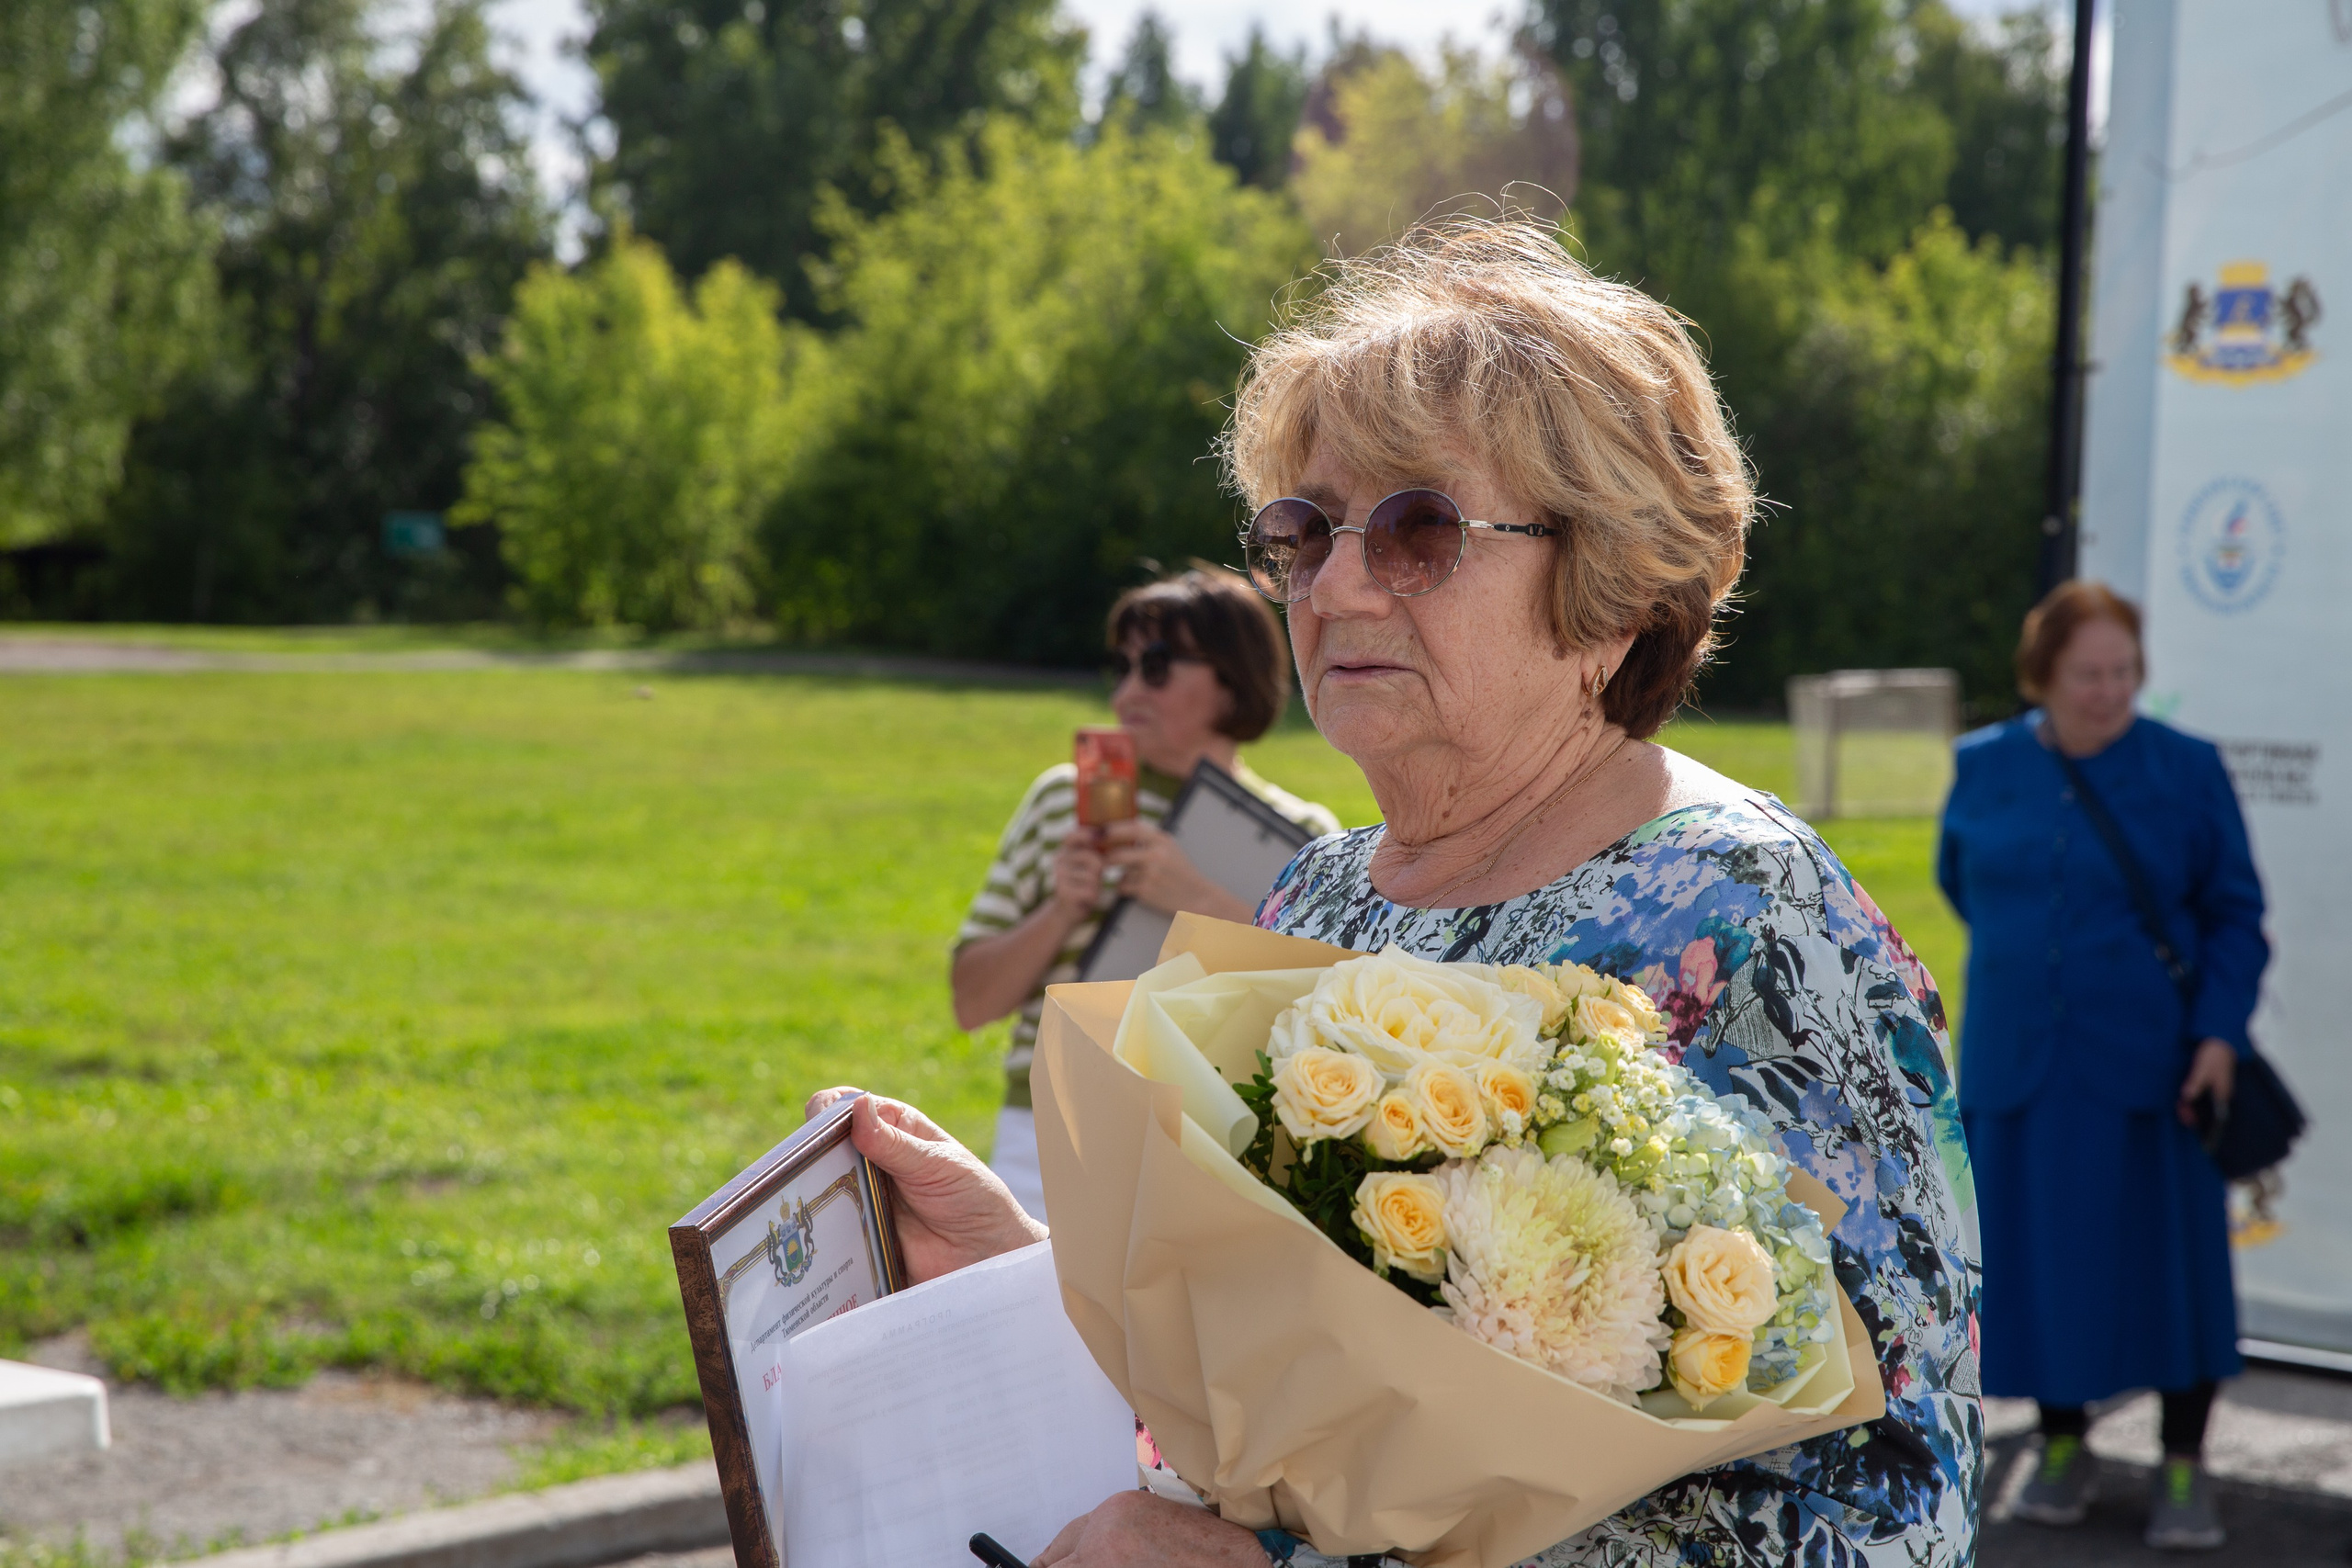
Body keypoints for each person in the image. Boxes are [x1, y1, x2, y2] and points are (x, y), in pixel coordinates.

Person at [820, 218, 1979, 1567]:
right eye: (1304, 530)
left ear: (1610, 581)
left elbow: (1887, 1510)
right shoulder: (1316, 893)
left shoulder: (1751, 919)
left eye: (1418, 528)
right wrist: (1021, 1273)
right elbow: (1269, 1369)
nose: (1336, 583)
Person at [1939, 581, 2267, 1551]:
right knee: (2040, 1270)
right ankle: (2063, 1441)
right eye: (2086, 673)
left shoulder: (2186, 769)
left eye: (2122, 671)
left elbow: (2233, 916)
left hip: (2154, 1067)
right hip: (2018, 1062)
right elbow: (1965, 882)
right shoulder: (1982, 764)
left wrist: (2216, 1034)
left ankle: (2182, 1463)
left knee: (2173, 1273)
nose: (2108, 690)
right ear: (2041, 675)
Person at [952, 568, 1340, 1219]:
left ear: (1232, 677)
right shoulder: (1062, 800)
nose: (1128, 690)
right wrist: (1062, 910)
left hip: (1214, 1138)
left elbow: (1313, 1021)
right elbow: (971, 1001)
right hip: (1050, 1124)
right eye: (1122, 665)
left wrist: (1199, 901)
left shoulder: (1305, 838)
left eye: (1157, 665)